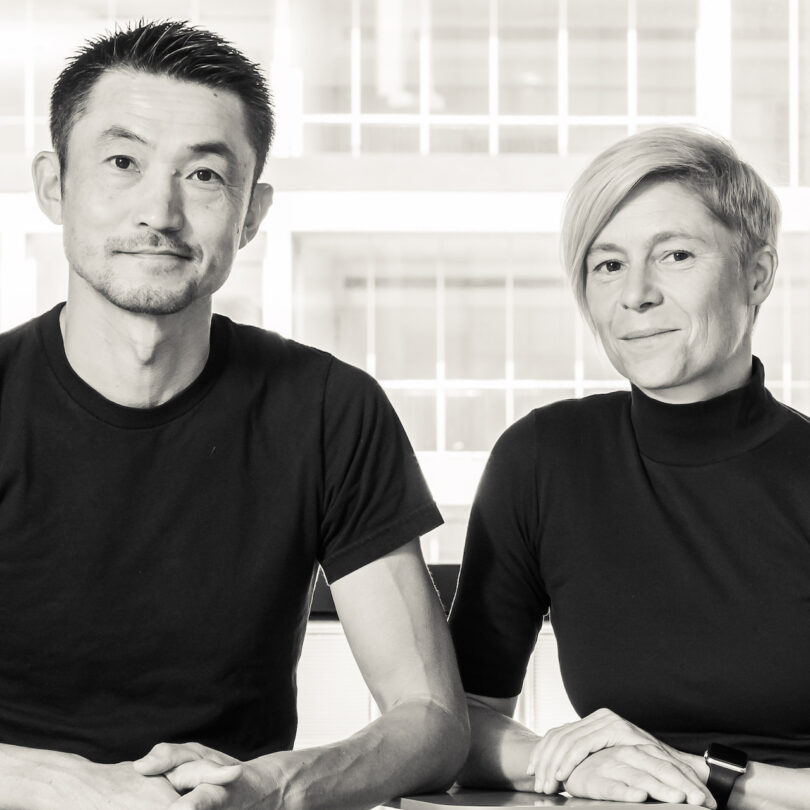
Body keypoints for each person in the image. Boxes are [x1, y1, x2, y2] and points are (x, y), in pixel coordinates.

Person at [0, 20, 469, 810]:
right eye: (122, 162)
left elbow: (430, 717)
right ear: (55, 186)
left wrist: (269, 785)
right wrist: (70, 787)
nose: (161, 210)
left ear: (252, 213)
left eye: (206, 176)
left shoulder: (327, 408)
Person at [449, 126, 810, 810]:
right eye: (608, 264)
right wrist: (571, 764)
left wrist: (707, 776)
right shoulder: (542, 458)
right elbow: (452, 722)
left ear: (757, 274)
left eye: (674, 254)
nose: (635, 294)